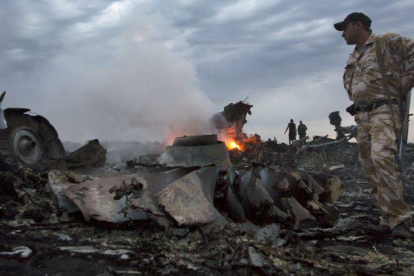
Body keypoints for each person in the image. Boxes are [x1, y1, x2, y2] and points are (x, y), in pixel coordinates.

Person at [334, 12, 414, 238]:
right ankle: (386, 219)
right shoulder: (354, 55)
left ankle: (400, 220)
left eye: (345, 28)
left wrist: (404, 84)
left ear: (358, 25)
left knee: (383, 159)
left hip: (383, 112)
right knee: (370, 166)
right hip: (363, 116)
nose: (343, 34)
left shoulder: (385, 42)